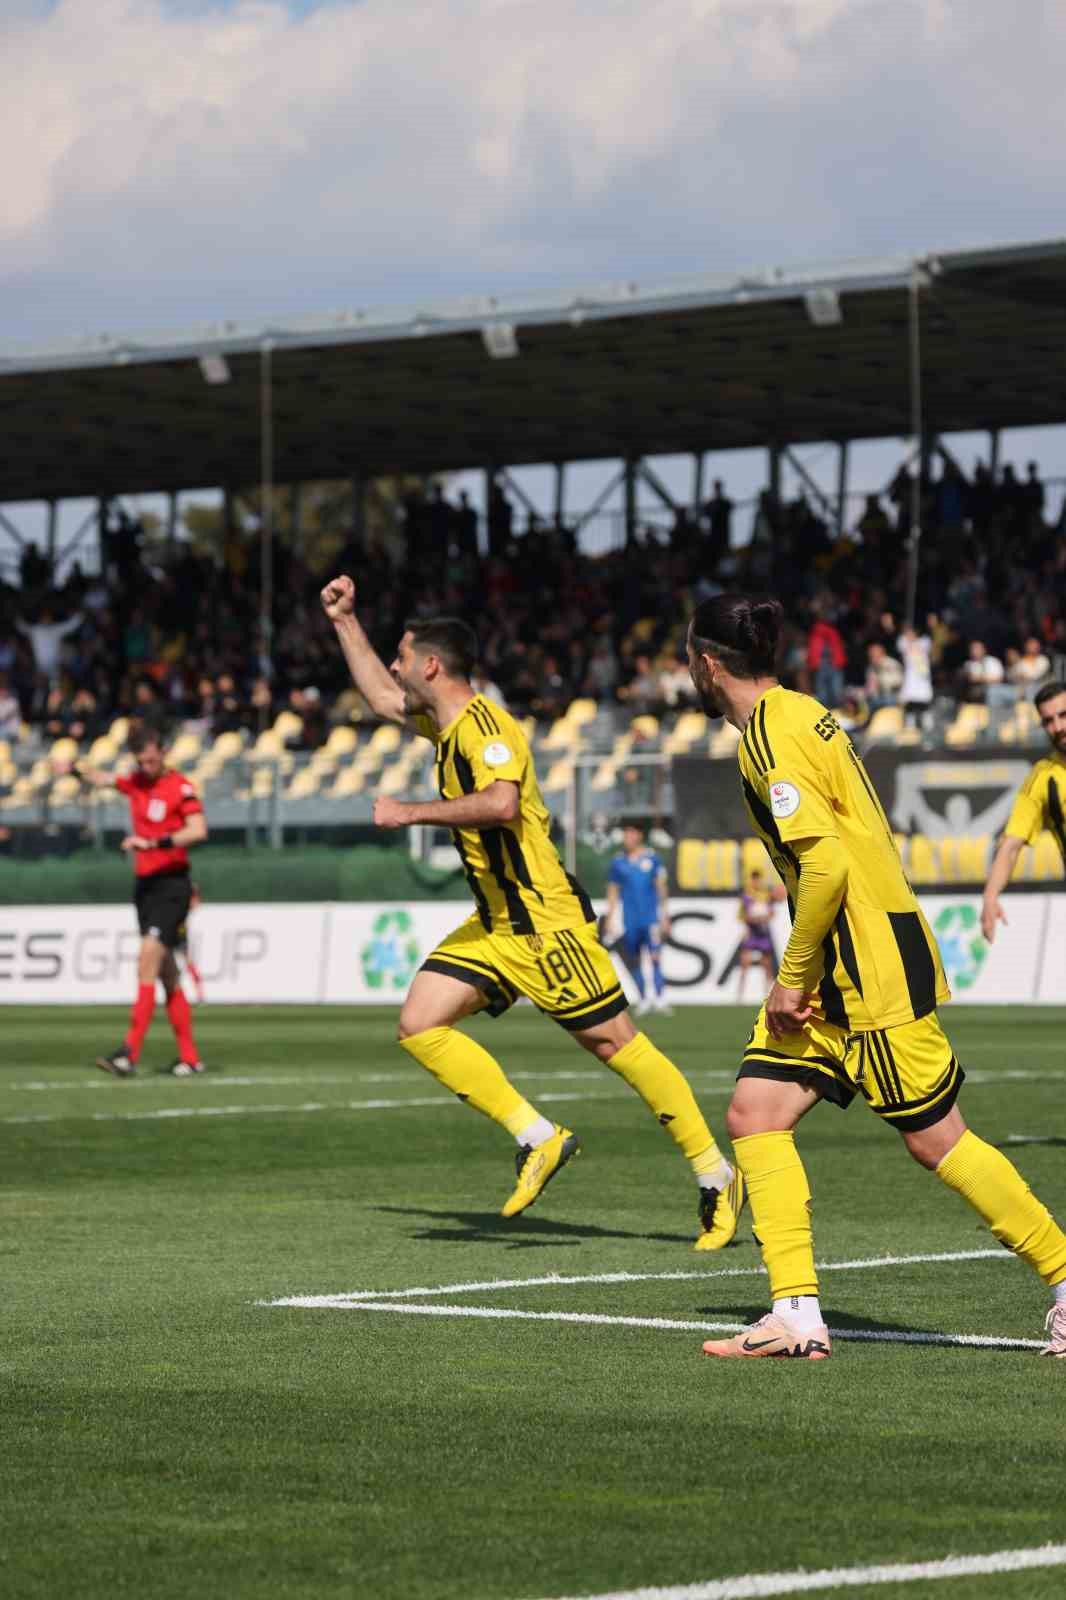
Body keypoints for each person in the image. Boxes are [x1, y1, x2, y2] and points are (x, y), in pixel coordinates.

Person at [684, 593, 1066, 1359]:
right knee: (756, 1113)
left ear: (709, 664)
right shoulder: (798, 712)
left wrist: (793, 976)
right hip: (847, 958)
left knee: (938, 1140)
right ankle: (795, 1315)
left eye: (690, 657)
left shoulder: (771, 734)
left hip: (863, 965)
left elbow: (825, 865)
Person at [320, 573, 743, 1247]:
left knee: (618, 1046)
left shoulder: (489, 729)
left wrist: (410, 812)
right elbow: (377, 696)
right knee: (419, 1024)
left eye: (401, 657)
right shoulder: (442, 724)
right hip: (495, 923)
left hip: (544, 922)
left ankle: (716, 1174)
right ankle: (538, 1136)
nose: (394, 668)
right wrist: (345, 620)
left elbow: (501, 803)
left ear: (431, 666)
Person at [78, 725, 208, 1077]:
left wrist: (153, 843)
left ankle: (128, 1053)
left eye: (151, 760)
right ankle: (190, 1058)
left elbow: (198, 829)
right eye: (141, 761)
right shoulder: (136, 782)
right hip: (146, 889)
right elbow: (102, 779)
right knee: (167, 973)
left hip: (172, 886)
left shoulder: (180, 787)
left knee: (147, 959)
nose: (146, 767)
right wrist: (73, 769)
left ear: (163, 753)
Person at [981, 681, 1066, 943]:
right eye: (1048, 721)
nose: (1058, 727)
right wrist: (990, 897)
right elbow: (1010, 845)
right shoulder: (1042, 778)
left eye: (1063, 715)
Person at [605, 823, 672, 1017]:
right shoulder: (618, 862)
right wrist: (610, 917)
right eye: (625, 834)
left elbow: (661, 887)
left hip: (650, 918)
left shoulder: (652, 858)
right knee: (634, 960)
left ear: (639, 836)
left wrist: (665, 915)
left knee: (655, 957)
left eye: (631, 833)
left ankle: (659, 999)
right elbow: (613, 890)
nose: (627, 838)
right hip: (630, 920)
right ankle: (643, 999)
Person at [735, 868, 782, 1001]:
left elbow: (772, 913)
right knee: (745, 963)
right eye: (754, 879)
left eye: (758, 879)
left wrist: (765, 917)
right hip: (751, 932)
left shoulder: (766, 894)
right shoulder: (746, 895)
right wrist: (754, 919)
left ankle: (768, 993)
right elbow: (743, 916)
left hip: (763, 933)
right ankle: (739, 995)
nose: (756, 881)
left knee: (767, 964)